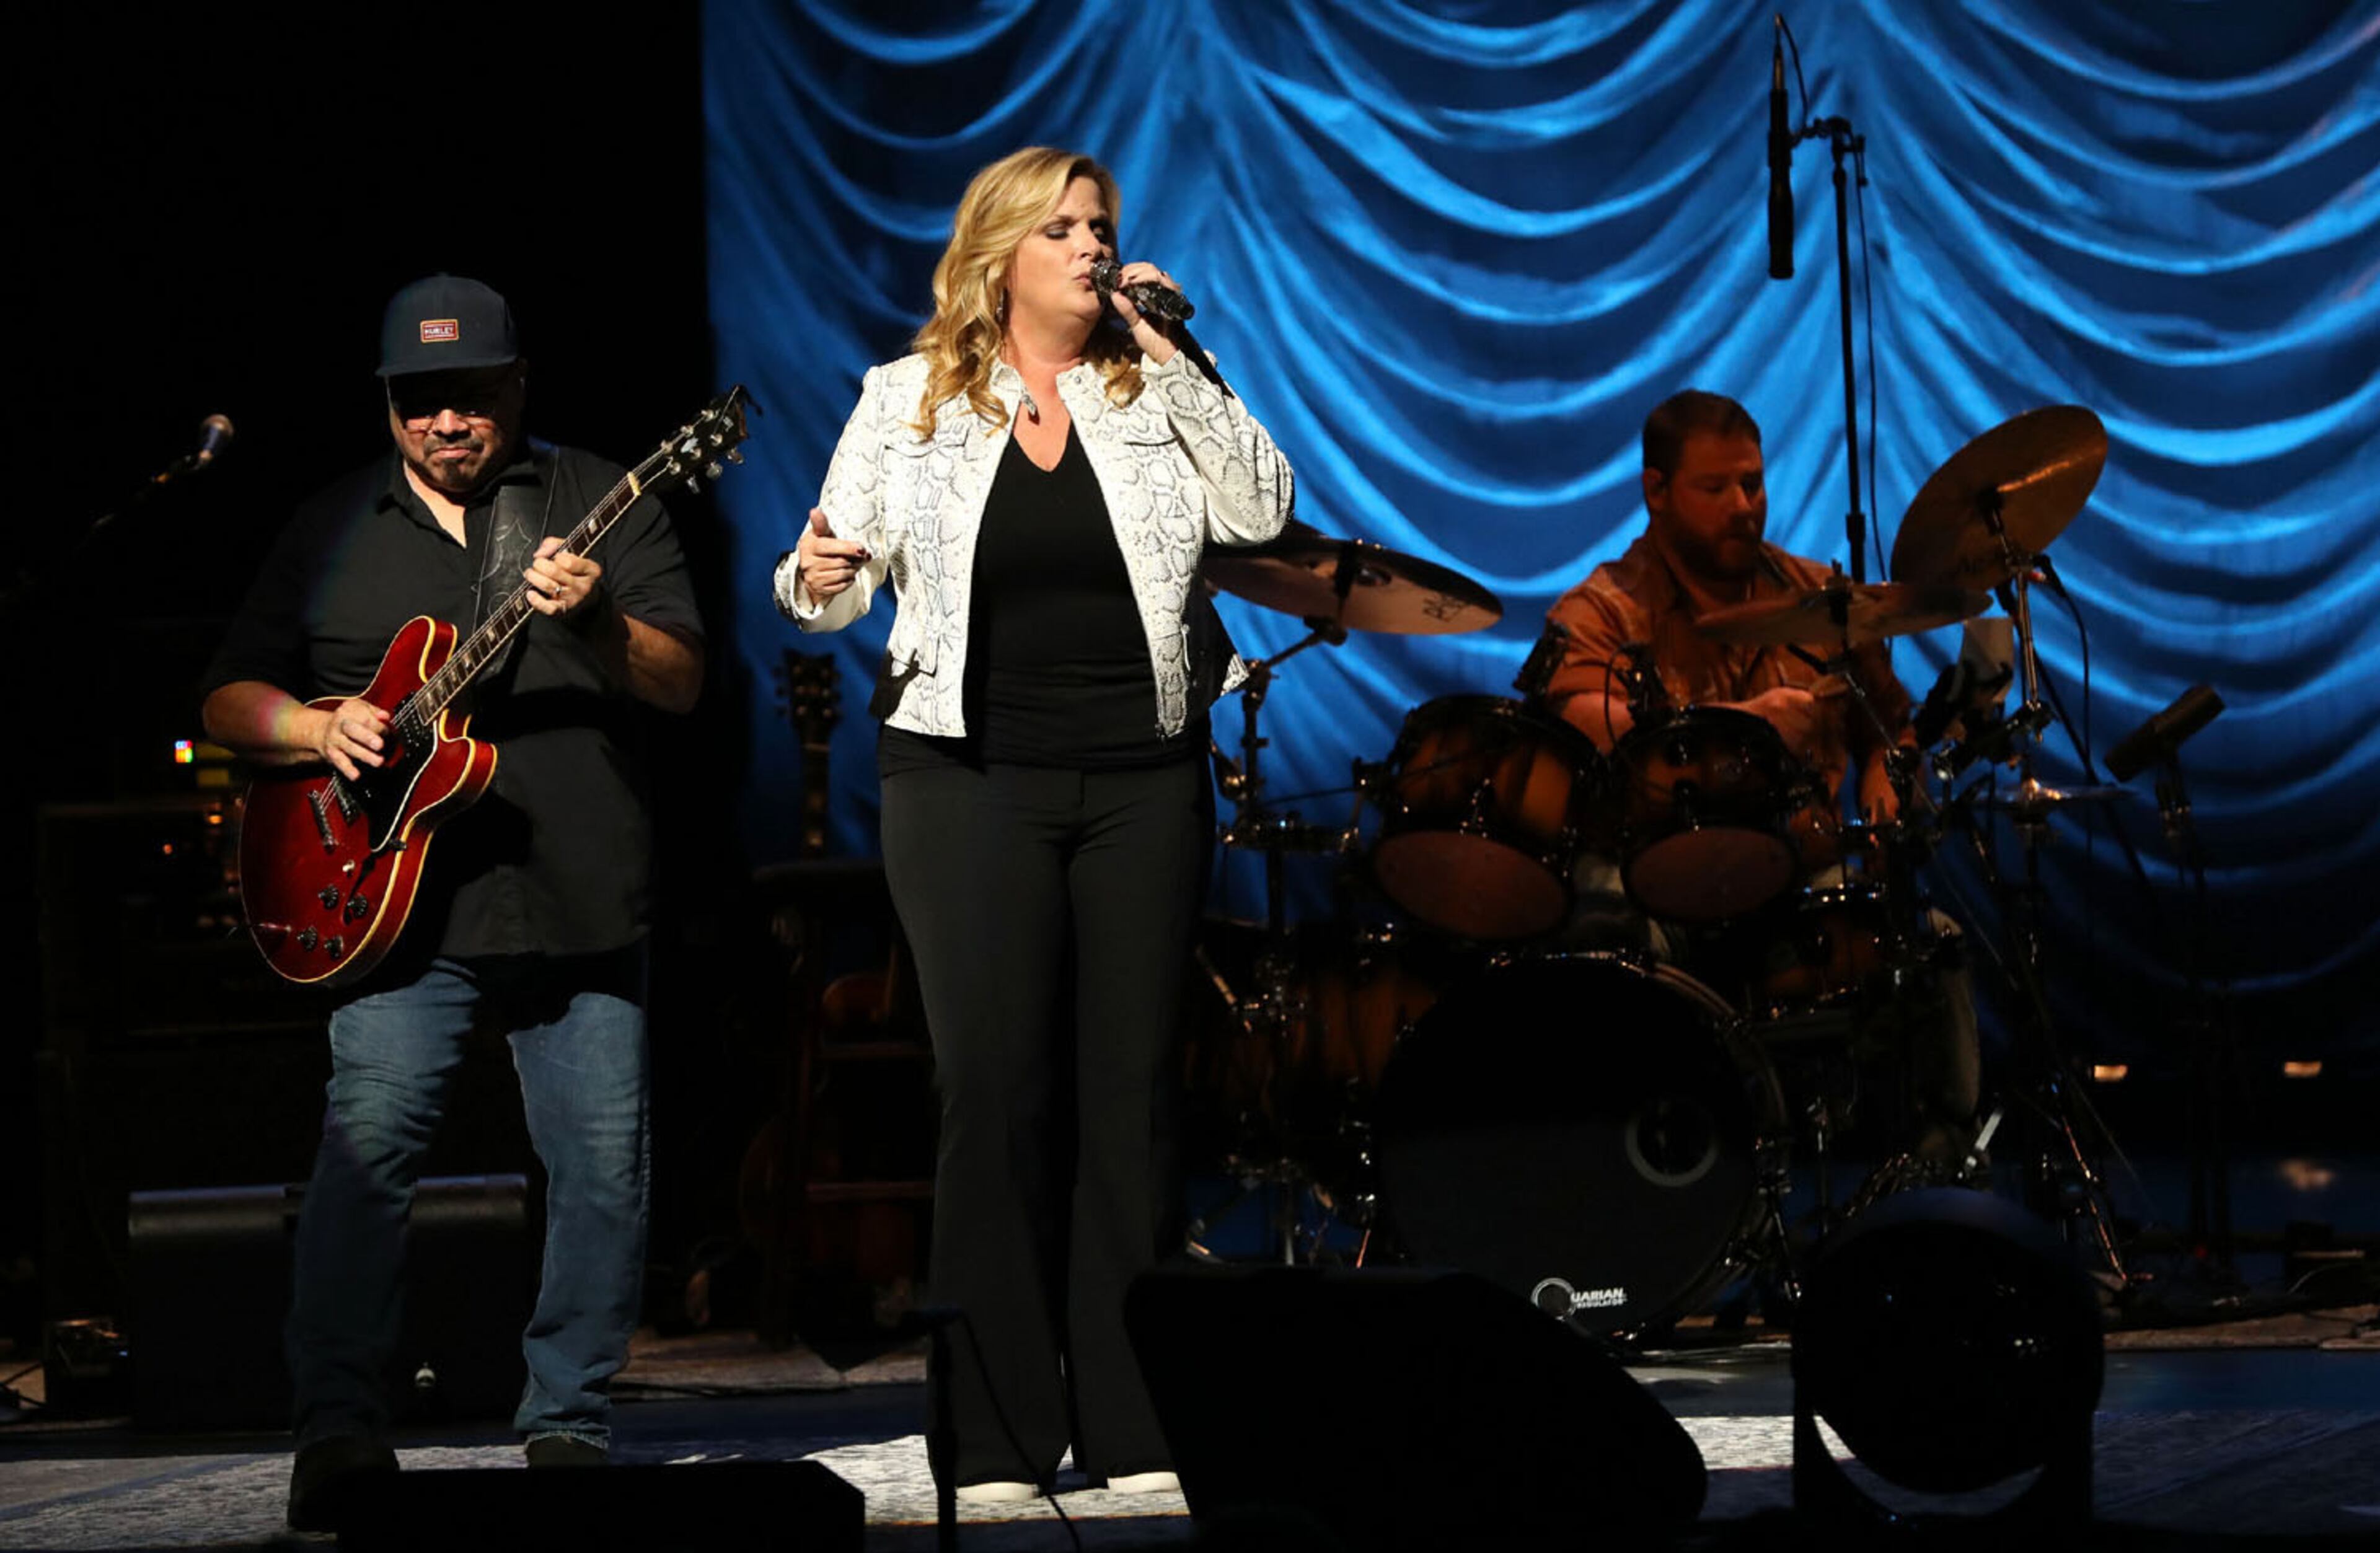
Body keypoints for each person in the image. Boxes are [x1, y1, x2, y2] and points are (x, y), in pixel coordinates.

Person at [777, 146, 1293, 1500]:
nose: (1088, 246)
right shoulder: (909, 400)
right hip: (967, 779)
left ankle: (1135, 1421)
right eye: (1061, 228)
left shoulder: (1154, 390)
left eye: (1102, 227)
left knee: (1128, 1100)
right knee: (994, 1093)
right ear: (1000, 252)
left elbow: (1266, 505)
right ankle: (998, 1431)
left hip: (1143, 778)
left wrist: (1173, 346)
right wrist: (818, 570)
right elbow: (820, 585)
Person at [200, 274, 705, 1528]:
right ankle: (339, 1430)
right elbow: (225, 701)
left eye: (472, 397)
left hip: (579, 895)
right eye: (423, 402)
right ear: (389, 406)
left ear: (516, 389)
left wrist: (592, 625)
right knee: (365, 1163)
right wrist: (317, 726)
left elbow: (684, 680)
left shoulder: (602, 498)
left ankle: (570, 1420)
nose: (448, 423)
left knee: (599, 1170)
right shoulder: (331, 524)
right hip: (389, 909)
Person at [1542, 389, 1978, 1160]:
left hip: (1798, 874)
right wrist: (1741, 729)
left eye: (1754, 483)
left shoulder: (1822, 598)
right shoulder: (1607, 608)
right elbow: (1576, 719)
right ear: (1657, 491)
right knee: (1603, 923)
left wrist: (1886, 779)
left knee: (1930, 940)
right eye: (1717, 489)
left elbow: (1890, 725)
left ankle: (1938, 1170)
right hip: (1664, 886)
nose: (1745, 506)